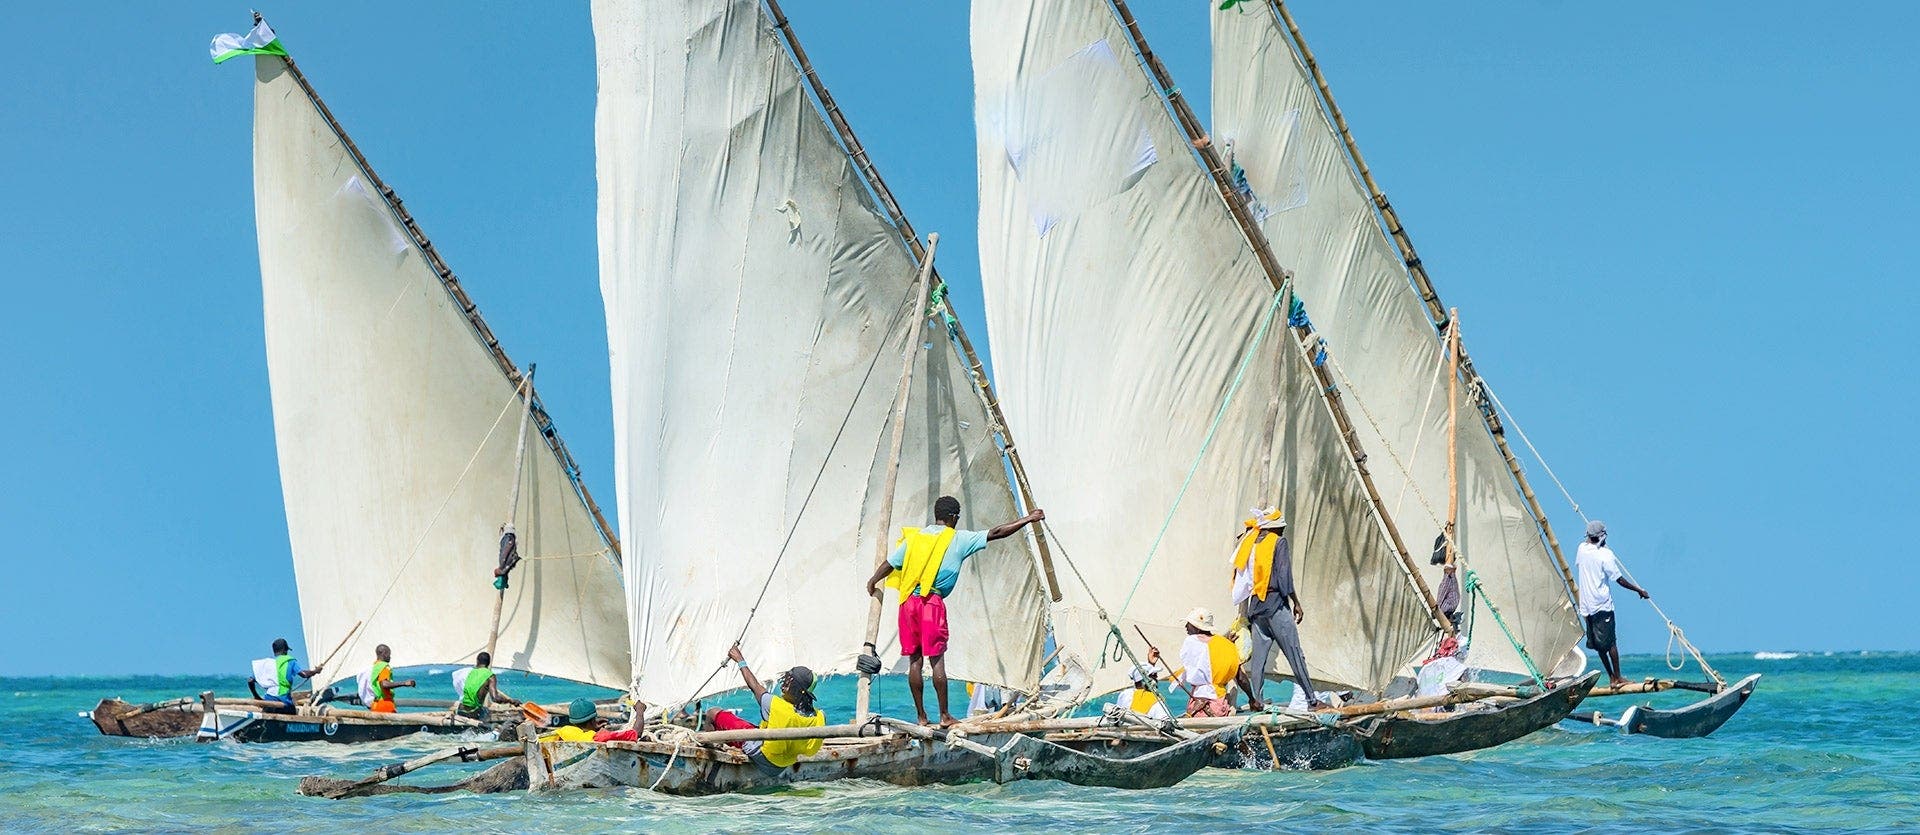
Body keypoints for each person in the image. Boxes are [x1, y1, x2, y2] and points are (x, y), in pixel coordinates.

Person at [862, 495, 1044, 727]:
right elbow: (997, 532)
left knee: (914, 661)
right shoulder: (958, 538)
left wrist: (873, 580)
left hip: (907, 603)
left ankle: (921, 717)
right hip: (931, 603)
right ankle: (945, 716)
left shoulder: (915, 538)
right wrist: (1029, 518)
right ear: (954, 517)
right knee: (937, 661)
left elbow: (890, 563)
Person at [1230, 509, 1326, 710]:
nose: (1283, 529)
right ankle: (1312, 701)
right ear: (1275, 526)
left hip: (1256, 606)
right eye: (1281, 526)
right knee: (1294, 653)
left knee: (1258, 661)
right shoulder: (1278, 542)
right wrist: (1296, 602)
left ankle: (1257, 701)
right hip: (1274, 604)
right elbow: (1284, 577)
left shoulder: (1251, 542)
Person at [703, 644, 826, 774]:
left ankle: (709, 758)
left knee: (712, 713)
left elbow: (754, 685)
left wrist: (740, 660)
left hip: (764, 757)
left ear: (796, 689)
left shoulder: (776, 705)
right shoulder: (819, 717)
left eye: (788, 682)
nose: (783, 685)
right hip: (782, 765)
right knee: (752, 728)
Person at [1575, 520, 1649, 687]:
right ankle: (1618, 677)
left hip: (1586, 607)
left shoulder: (1581, 549)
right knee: (1611, 643)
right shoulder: (1605, 555)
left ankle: (1611, 678)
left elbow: (1588, 552)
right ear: (1602, 536)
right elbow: (1619, 580)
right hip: (1601, 605)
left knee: (1600, 645)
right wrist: (1639, 590)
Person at [1152, 607, 1241, 717]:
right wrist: (1252, 699)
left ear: (1197, 627)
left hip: (1197, 703)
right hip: (1218, 703)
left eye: (1188, 624)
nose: (1186, 627)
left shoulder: (1191, 641)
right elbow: (1240, 675)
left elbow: (1195, 664)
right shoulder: (1227, 645)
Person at [247, 638, 321, 714]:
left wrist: (256, 696)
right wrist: (315, 671)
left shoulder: (267, 664)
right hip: (284, 702)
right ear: (285, 650)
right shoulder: (289, 661)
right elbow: (304, 674)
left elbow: (250, 680)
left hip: (268, 701)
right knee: (293, 712)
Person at [451, 651, 518, 719]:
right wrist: (510, 701)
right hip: (474, 712)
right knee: (487, 712)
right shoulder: (490, 676)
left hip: (461, 710)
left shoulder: (469, 672)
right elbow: (495, 698)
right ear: (489, 663)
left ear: (477, 661)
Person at [358, 644, 415, 713]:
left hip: (375, 704)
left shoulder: (374, 668)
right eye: (389, 654)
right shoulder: (384, 667)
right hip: (385, 704)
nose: (390, 657)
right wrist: (404, 683)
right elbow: (384, 684)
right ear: (384, 653)